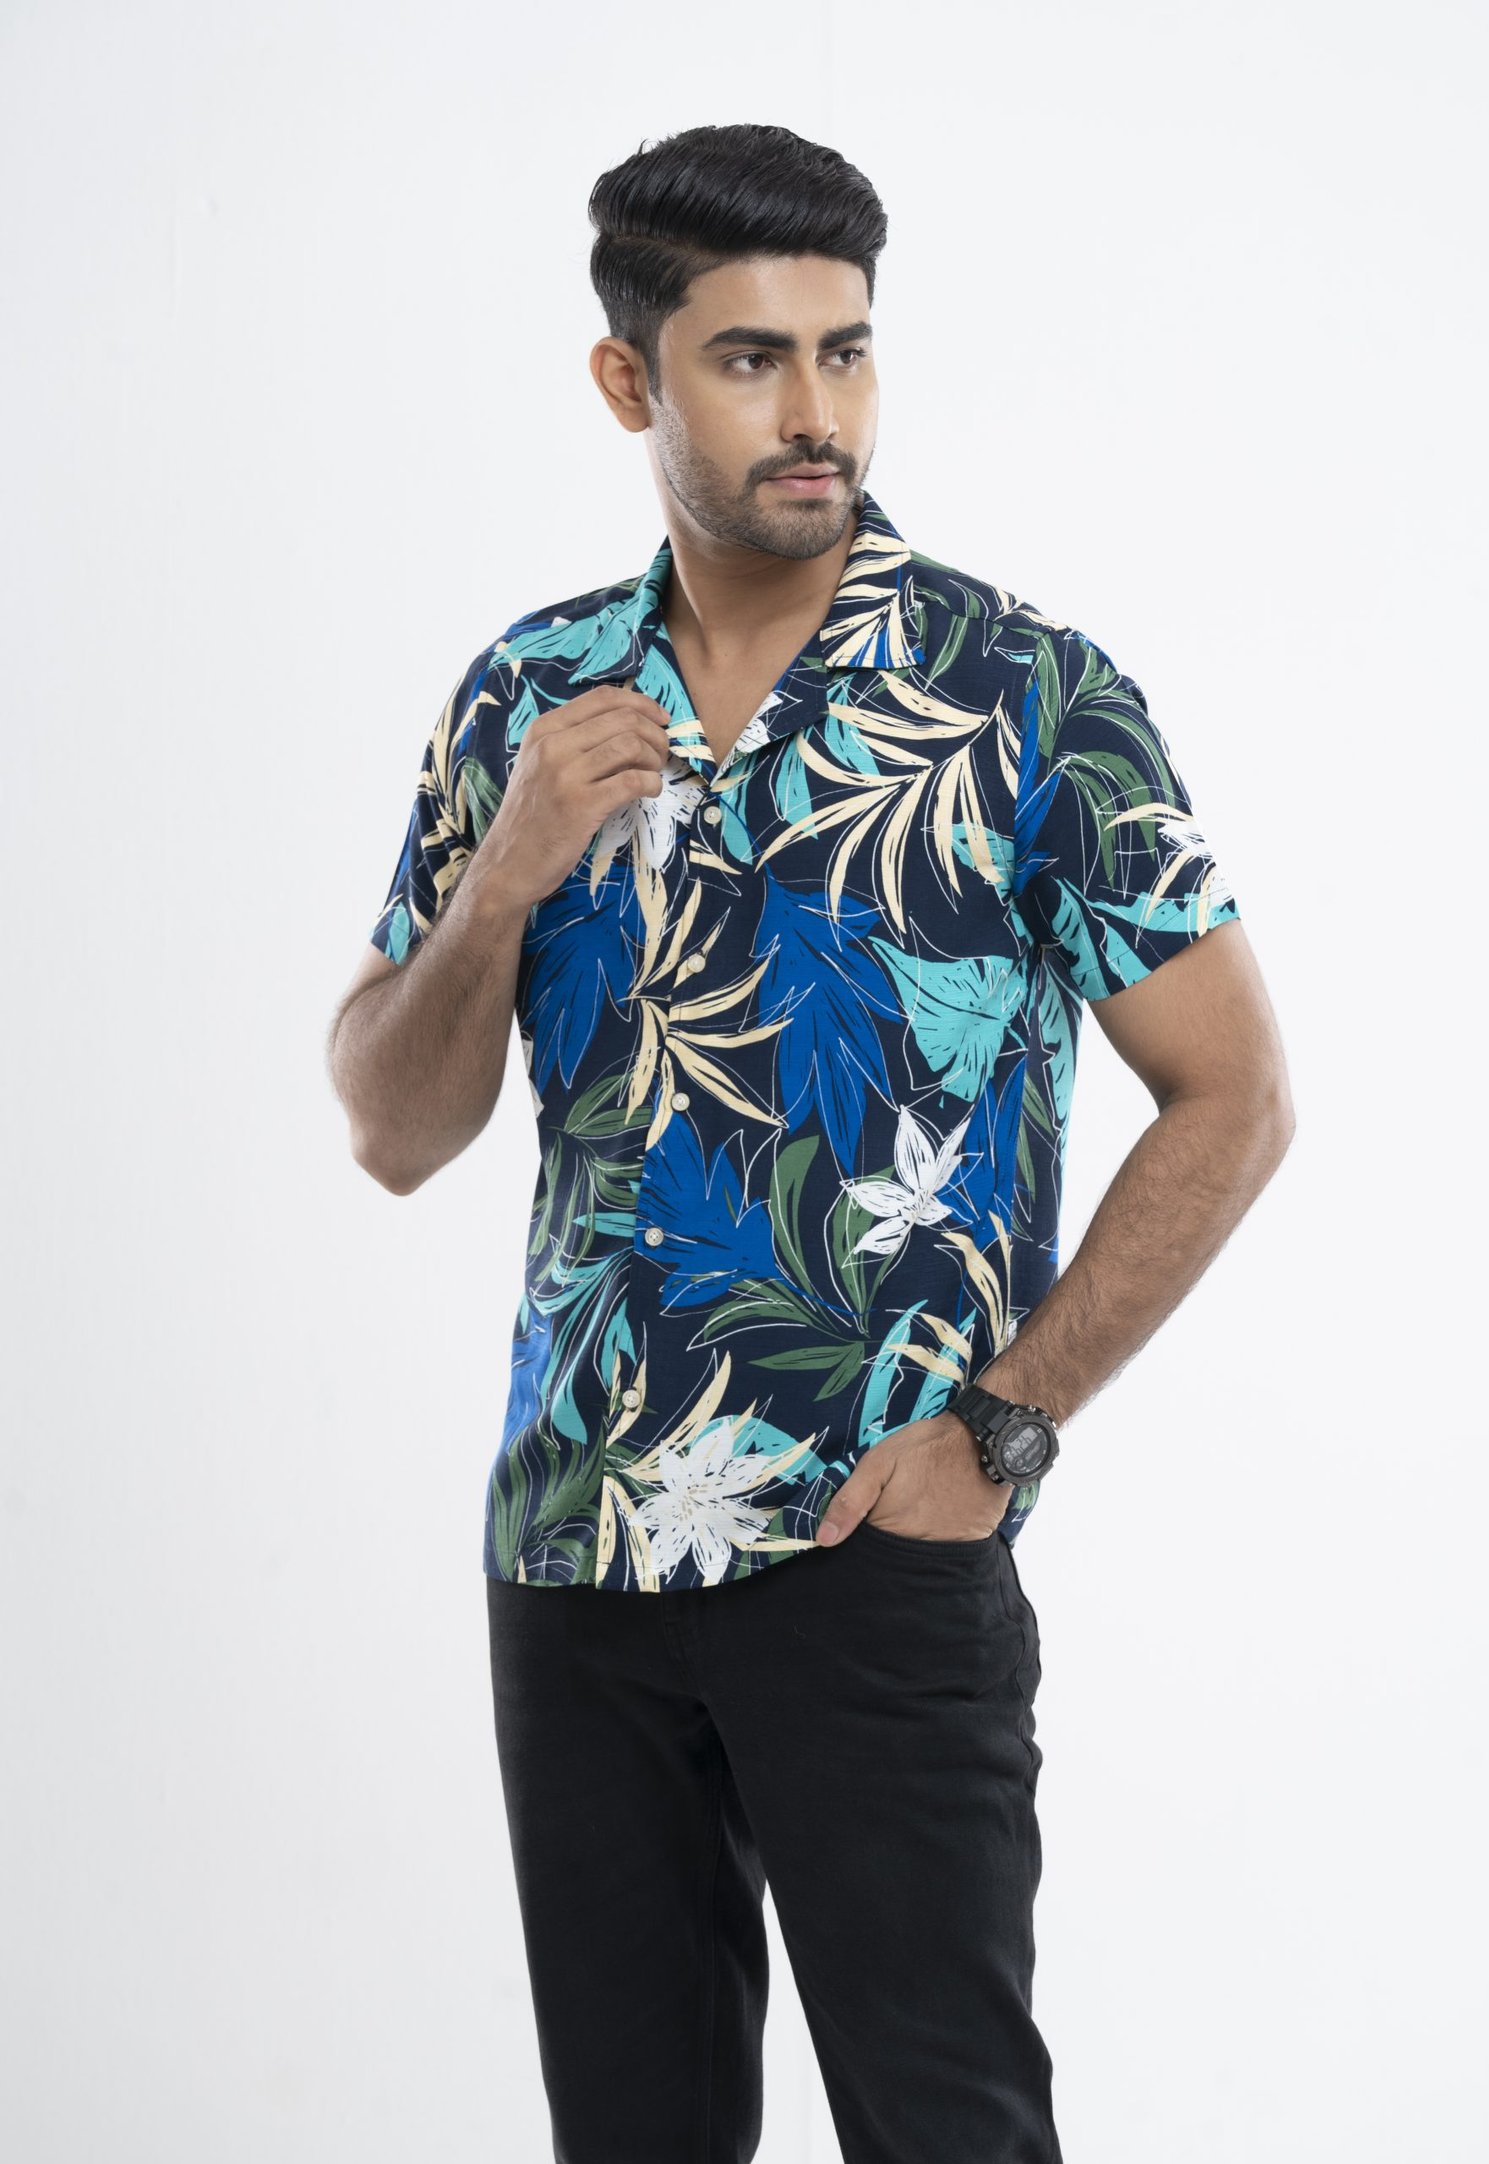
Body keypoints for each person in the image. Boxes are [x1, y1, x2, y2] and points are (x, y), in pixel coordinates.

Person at [328, 121, 1293, 2164]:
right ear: (629, 380)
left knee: (949, 2130)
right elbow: (392, 1126)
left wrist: (1001, 1431)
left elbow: (1233, 1091)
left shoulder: (1023, 697)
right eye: (751, 358)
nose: (814, 412)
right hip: (578, 1548)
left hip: (876, 1551)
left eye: (845, 351)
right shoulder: (522, 698)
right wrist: (503, 877)